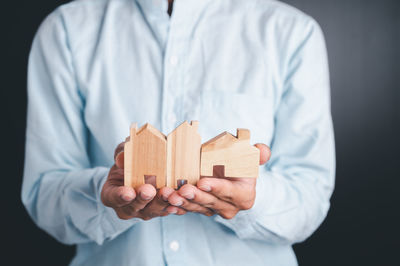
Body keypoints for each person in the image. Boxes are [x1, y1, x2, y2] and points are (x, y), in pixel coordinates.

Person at [21, 0, 335, 265]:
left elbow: (310, 198)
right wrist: (109, 203)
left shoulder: (291, 32)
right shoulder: (67, 29)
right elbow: (43, 194)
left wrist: (252, 201)